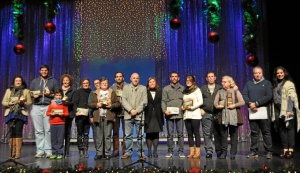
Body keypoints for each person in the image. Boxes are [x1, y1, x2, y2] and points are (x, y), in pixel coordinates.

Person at [242, 66, 273, 159]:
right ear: (253, 74)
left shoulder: (267, 83)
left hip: (263, 111)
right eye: (255, 73)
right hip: (252, 111)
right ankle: (254, 151)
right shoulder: (249, 83)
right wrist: (251, 104)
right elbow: (245, 95)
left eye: (259, 73)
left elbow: (269, 96)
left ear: (262, 73)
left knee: (266, 132)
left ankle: (268, 151)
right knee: (254, 132)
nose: (257, 74)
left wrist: (256, 103)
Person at [30, 64, 59, 158]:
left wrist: (50, 94)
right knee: (38, 130)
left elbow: (58, 95)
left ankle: (48, 150)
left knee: (48, 130)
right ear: (40, 71)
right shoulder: (35, 81)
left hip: (48, 106)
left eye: (46, 70)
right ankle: (40, 150)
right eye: (42, 70)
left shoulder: (53, 81)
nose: (44, 72)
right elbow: (30, 93)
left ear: (48, 71)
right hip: (36, 106)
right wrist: (33, 95)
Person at [88, 77, 121, 160]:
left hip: (108, 116)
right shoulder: (94, 93)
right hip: (98, 116)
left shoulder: (112, 92)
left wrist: (111, 106)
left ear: (108, 84)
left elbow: (118, 103)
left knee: (107, 136)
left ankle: (107, 153)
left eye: (106, 83)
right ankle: (99, 153)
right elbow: (89, 104)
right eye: (103, 83)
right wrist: (96, 105)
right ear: (100, 84)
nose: (104, 85)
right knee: (98, 136)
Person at [271, 66, 300, 159]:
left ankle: (290, 150)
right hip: (277, 109)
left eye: (281, 72)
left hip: (287, 109)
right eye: (278, 73)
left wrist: (289, 110)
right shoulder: (275, 84)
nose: (280, 74)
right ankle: (284, 149)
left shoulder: (288, 83)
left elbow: (292, 97)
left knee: (290, 129)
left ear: (284, 73)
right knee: (281, 129)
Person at [214, 75, 245, 160]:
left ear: (229, 82)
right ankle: (224, 152)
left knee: (234, 135)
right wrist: (218, 106)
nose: (222, 83)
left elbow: (242, 102)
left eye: (225, 82)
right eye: (222, 82)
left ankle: (233, 153)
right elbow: (215, 103)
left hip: (233, 116)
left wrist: (234, 105)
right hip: (223, 116)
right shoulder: (220, 92)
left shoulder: (235, 91)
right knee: (223, 135)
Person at [2, 75, 32, 159]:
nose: (18, 82)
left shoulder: (26, 91)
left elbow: (29, 102)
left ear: (22, 82)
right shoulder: (9, 90)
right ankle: (12, 152)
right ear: (14, 82)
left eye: (19, 81)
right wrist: (9, 103)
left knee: (18, 131)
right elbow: (4, 102)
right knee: (12, 132)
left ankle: (18, 152)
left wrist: (23, 102)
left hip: (20, 113)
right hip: (10, 113)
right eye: (16, 81)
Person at [121, 73, 147, 159]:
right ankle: (128, 152)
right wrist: (131, 110)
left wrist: (136, 111)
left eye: (137, 78)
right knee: (128, 135)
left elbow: (144, 101)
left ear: (139, 79)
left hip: (139, 115)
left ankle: (141, 153)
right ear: (130, 79)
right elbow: (123, 100)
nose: (135, 79)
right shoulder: (125, 88)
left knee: (140, 136)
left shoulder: (143, 88)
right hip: (128, 115)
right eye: (134, 78)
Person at [161, 71, 185, 158]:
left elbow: (186, 101)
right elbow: (163, 101)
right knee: (170, 134)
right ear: (170, 78)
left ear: (178, 78)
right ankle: (170, 151)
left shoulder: (183, 88)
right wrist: (164, 110)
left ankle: (181, 151)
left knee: (180, 134)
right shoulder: (166, 89)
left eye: (176, 76)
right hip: (169, 114)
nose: (174, 78)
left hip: (180, 114)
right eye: (172, 76)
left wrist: (184, 107)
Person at [200, 71, 222, 158]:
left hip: (218, 113)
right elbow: (199, 99)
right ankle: (209, 151)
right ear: (206, 78)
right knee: (207, 133)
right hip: (206, 113)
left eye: (212, 76)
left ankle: (219, 151)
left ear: (215, 77)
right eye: (209, 76)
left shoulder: (220, 88)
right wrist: (200, 108)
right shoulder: (203, 88)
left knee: (217, 133)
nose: (210, 78)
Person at [182, 75, 203, 159]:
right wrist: (182, 107)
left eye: (190, 80)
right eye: (187, 80)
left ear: (193, 81)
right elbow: (184, 102)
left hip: (195, 114)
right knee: (189, 134)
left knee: (196, 133)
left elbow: (201, 101)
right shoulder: (185, 91)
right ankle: (191, 152)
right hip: (187, 114)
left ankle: (197, 152)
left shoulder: (197, 90)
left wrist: (192, 107)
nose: (188, 81)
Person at [46, 89, 69, 159]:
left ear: (62, 96)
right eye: (57, 95)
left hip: (61, 124)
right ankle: (54, 152)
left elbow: (67, 113)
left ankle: (60, 153)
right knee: (53, 139)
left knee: (60, 139)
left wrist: (62, 114)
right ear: (55, 96)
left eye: (60, 95)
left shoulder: (64, 104)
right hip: (53, 124)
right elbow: (47, 113)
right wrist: (52, 113)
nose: (58, 97)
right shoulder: (52, 104)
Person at [144, 77, 164, 158]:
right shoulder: (145, 92)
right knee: (148, 133)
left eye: (153, 82)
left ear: (156, 83)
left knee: (156, 133)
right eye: (150, 82)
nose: (152, 83)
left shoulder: (160, 91)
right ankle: (149, 151)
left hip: (157, 115)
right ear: (148, 83)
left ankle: (155, 151)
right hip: (148, 115)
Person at [72, 78, 92, 158]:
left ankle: (86, 150)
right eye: (84, 83)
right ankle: (80, 150)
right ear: (81, 84)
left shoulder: (91, 92)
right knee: (80, 134)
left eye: (87, 83)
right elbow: (74, 103)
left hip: (87, 116)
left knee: (86, 134)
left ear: (89, 84)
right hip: (79, 117)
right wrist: (75, 112)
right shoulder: (77, 92)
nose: (85, 84)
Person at [110, 72, 128, 157]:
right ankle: (116, 150)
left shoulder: (128, 86)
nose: (119, 78)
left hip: (126, 112)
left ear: (123, 78)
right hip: (115, 112)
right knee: (115, 132)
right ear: (115, 78)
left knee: (126, 133)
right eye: (117, 77)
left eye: (120, 76)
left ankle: (125, 150)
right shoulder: (112, 88)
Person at [59, 74, 75, 158]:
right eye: (64, 80)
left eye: (67, 80)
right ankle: (59, 151)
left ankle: (66, 152)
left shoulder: (73, 91)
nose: (65, 82)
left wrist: (66, 103)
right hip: (59, 114)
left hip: (68, 114)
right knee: (60, 133)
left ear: (70, 82)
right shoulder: (58, 90)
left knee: (67, 134)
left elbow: (73, 102)